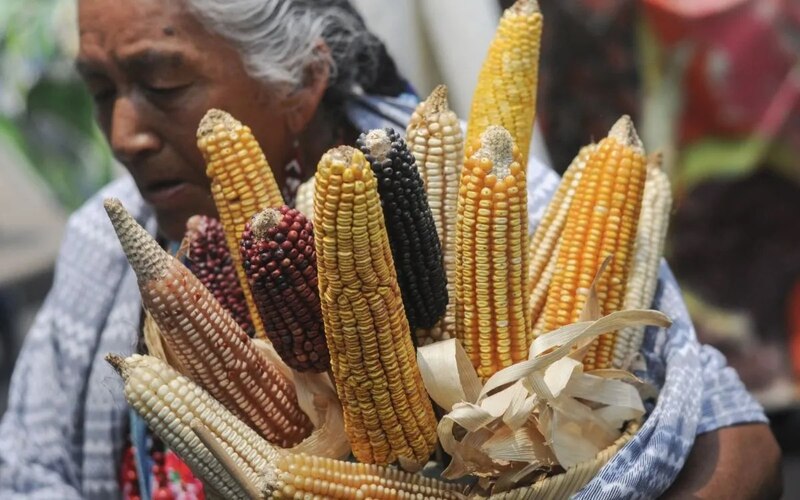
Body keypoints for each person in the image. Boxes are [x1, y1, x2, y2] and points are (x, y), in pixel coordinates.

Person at [0, 0, 781, 498]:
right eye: (101, 93)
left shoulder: (511, 207)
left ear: (302, 80)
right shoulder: (104, 248)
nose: (124, 136)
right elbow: (29, 470)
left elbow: (738, 437)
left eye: (163, 87)